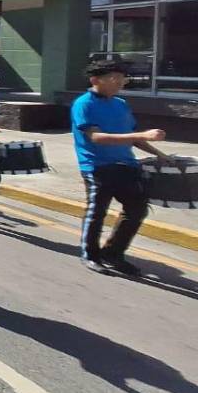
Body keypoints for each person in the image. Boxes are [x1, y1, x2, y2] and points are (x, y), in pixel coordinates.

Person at [72, 60, 174, 277]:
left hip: (126, 165)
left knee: (137, 209)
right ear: (95, 80)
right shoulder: (84, 104)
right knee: (96, 213)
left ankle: (113, 253)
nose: (120, 82)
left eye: (122, 78)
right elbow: (96, 137)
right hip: (97, 166)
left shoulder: (120, 104)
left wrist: (159, 154)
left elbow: (133, 138)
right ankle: (90, 255)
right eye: (114, 78)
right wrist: (141, 135)